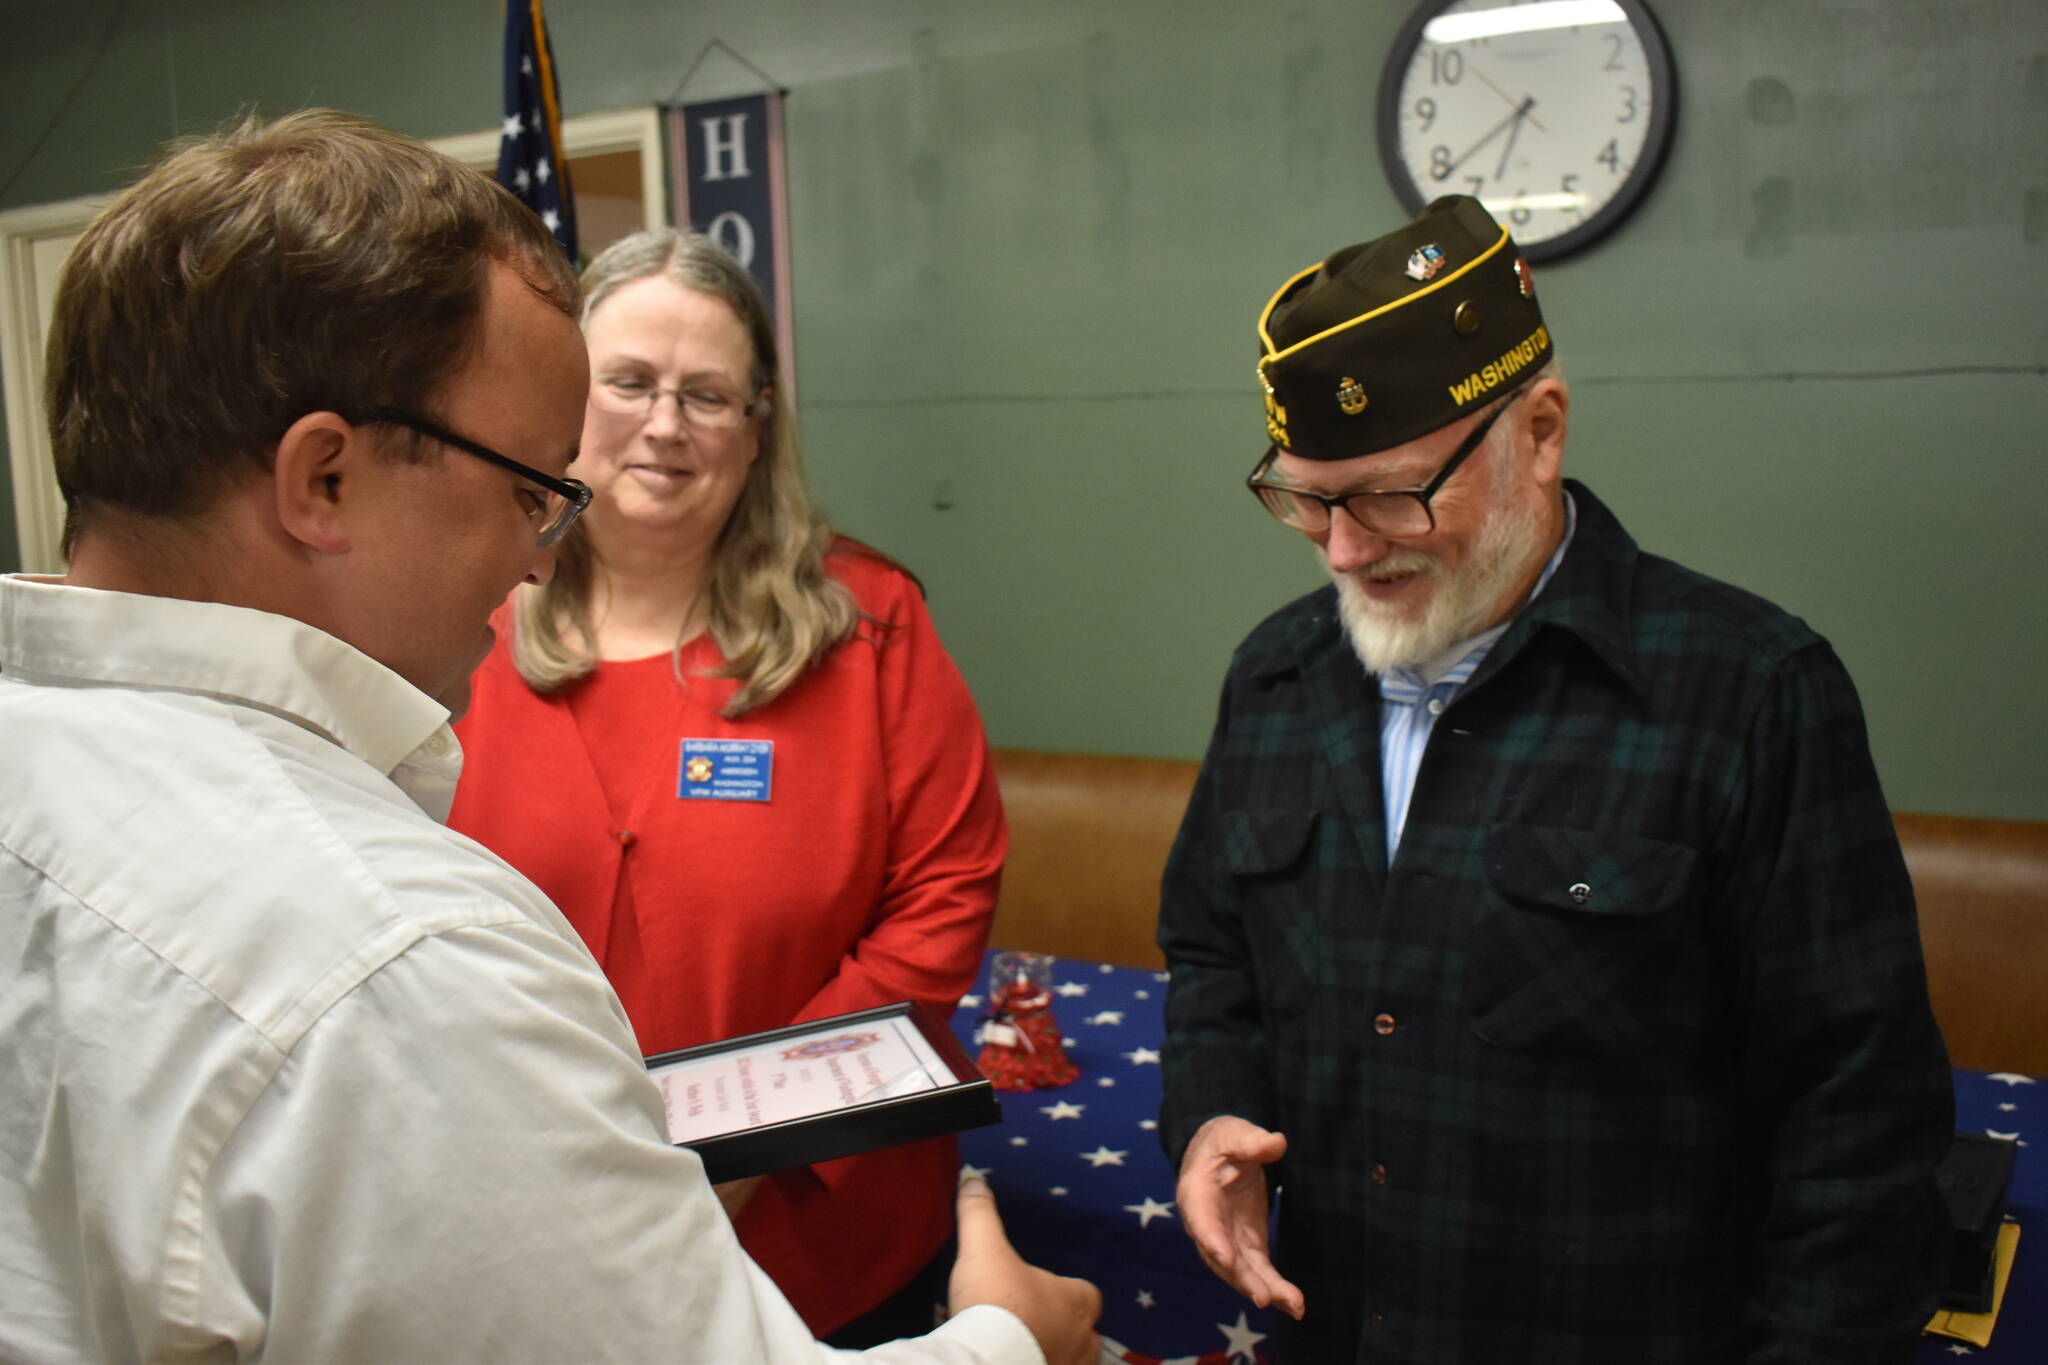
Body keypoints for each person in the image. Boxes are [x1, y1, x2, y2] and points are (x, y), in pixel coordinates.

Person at [0, 108, 1097, 1365]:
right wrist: (1012, 1344)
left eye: (707, 396)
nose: (536, 547)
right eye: (534, 479)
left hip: (817, 1229)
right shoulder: (403, 961)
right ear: (323, 481)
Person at [1157, 195, 1954, 1364]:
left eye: (1388, 494)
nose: (1341, 549)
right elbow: (1214, 953)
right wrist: (1213, 1114)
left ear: (1537, 431)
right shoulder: (1274, 675)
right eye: (1304, 498)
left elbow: (1856, 1117)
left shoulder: (1744, 692)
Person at [445, 228, 1006, 1342]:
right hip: (531, 1216)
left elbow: (943, 899)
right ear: (564, 403)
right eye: (630, 383)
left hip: (820, 1223)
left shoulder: (870, 620)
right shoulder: (455, 621)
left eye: (707, 395)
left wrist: (755, 1144)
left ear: (756, 431)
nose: (664, 424)